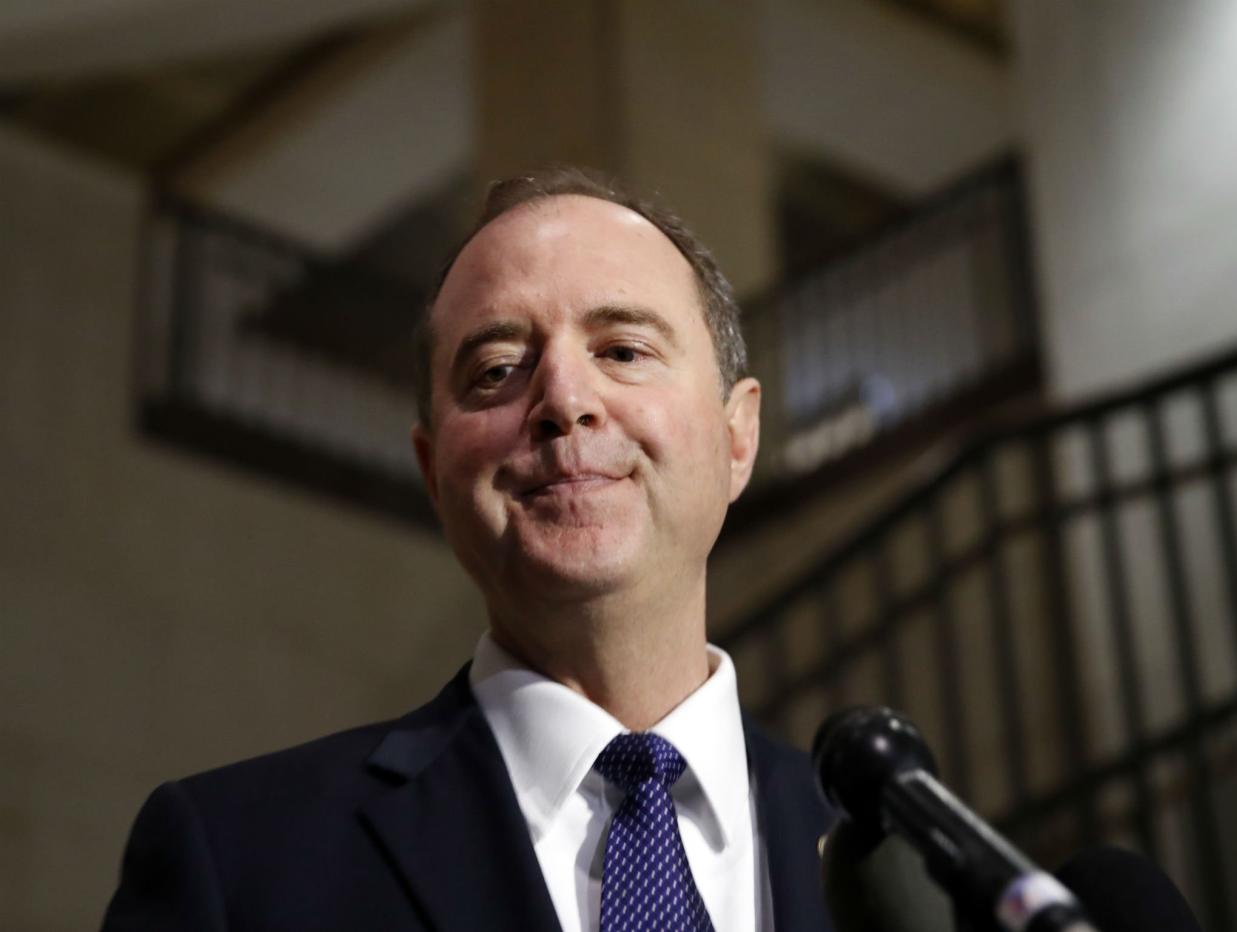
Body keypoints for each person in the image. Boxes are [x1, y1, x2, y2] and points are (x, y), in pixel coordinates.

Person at [101, 168, 835, 931]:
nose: (565, 401)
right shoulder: (238, 859)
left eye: (622, 350)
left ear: (738, 436)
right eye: (495, 371)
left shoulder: (901, 860)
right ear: (433, 473)